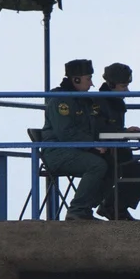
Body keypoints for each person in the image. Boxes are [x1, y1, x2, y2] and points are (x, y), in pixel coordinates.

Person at [41, 59, 110, 221]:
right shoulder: (61, 100)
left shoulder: (82, 100)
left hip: (76, 149)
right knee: (97, 165)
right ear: (76, 79)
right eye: (88, 78)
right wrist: (92, 145)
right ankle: (78, 210)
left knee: (113, 162)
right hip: (57, 152)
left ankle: (91, 208)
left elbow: (95, 125)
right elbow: (65, 133)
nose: (92, 84)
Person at [94, 62, 140, 220]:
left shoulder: (115, 102)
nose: (127, 90)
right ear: (111, 84)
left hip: (118, 152)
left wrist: (125, 132)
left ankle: (116, 207)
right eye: (123, 86)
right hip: (103, 153)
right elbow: (98, 130)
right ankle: (111, 207)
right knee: (136, 171)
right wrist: (123, 132)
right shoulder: (97, 101)